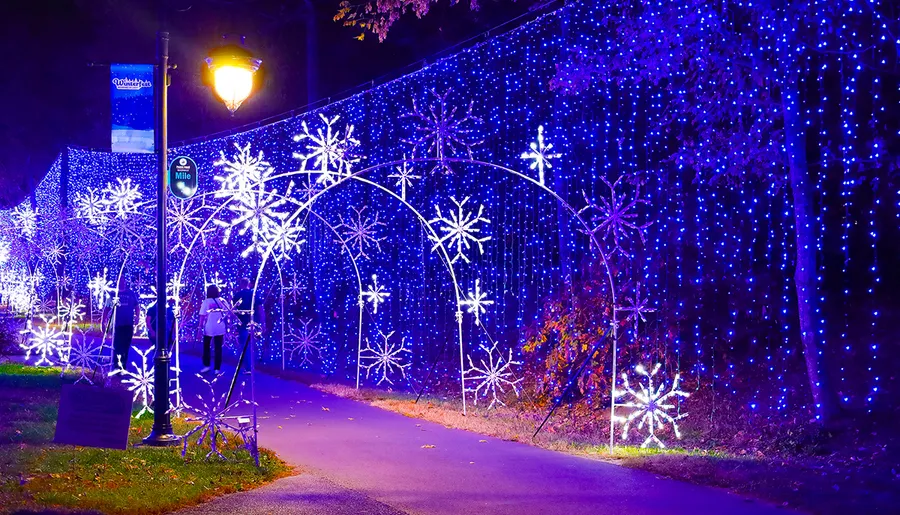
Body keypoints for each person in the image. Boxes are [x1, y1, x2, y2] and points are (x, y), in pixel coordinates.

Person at [102, 276, 139, 370]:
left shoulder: (130, 293)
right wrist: (103, 321)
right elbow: (106, 308)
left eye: (124, 280)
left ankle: (123, 364)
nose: (123, 282)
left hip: (128, 324)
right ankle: (116, 365)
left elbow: (136, 306)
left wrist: (137, 316)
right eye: (121, 281)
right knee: (117, 345)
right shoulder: (113, 294)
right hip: (117, 324)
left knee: (126, 345)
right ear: (117, 282)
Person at [232, 278, 262, 374]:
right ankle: (256, 363)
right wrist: (262, 321)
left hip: (242, 322)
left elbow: (233, 309)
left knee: (245, 345)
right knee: (255, 343)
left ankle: (249, 367)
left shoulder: (238, 295)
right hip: (254, 321)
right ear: (249, 284)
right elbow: (260, 308)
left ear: (241, 284)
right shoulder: (253, 294)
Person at [199, 284, 227, 374]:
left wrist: (200, 327)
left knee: (206, 346)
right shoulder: (222, 301)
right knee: (218, 348)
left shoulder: (206, 302)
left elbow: (202, 315)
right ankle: (217, 368)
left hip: (209, 327)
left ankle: (207, 366)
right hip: (220, 326)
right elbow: (228, 311)